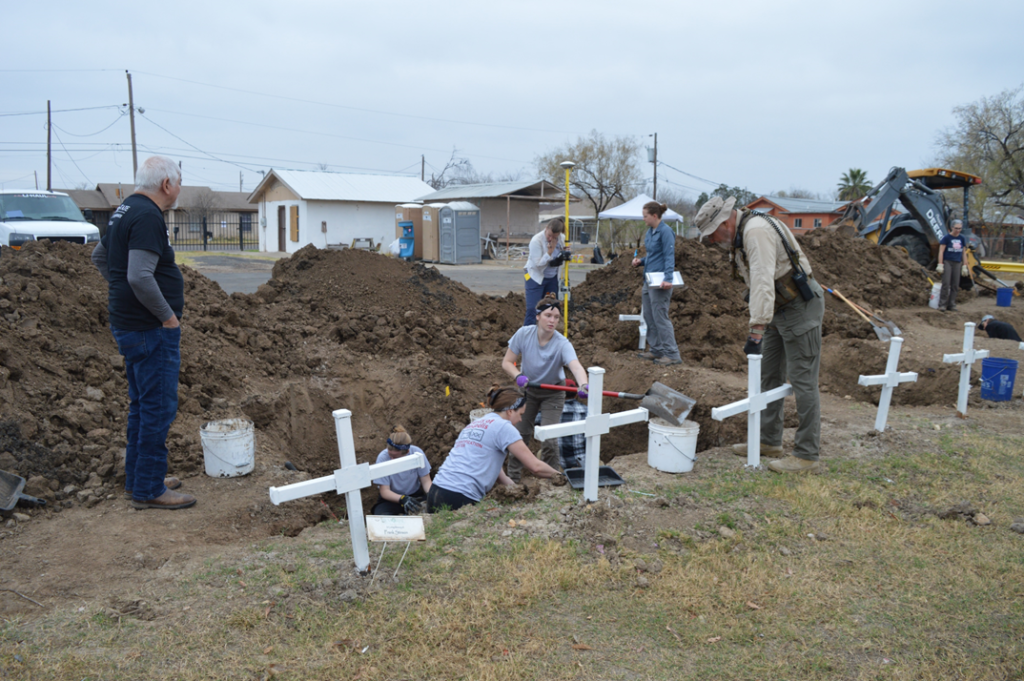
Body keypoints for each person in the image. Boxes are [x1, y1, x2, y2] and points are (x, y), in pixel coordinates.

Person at [91, 156, 195, 510]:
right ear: (167, 184)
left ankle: (140, 477)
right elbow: (138, 275)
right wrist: (167, 317)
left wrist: (122, 293)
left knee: (141, 405)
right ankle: (149, 489)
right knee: (157, 408)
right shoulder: (149, 215)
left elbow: (99, 257)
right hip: (151, 329)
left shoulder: (124, 210)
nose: (180, 188)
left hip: (130, 325)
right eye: (179, 182)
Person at [694, 196, 824, 475]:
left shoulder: (755, 232)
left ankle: (806, 454)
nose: (714, 242)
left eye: (713, 234)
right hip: (779, 308)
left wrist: (756, 330)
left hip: (799, 307)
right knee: (769, 376)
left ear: (726, 222)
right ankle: (769, 441)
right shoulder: (742, 234)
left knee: (803, 382)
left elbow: (763, 280)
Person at [426, 385, 562, 513]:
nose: (521, 420)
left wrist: (519, 492)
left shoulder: (475, 424)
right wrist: (560, 477)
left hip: (435, 491)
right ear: (510, 411)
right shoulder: (504, 427)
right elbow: (535, 467)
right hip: (459, 495)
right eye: (520, 414)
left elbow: (499, 475)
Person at [501, 293, 591, 482]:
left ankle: (553, 478)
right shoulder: (524, 334)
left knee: (550, 437)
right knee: (520, 434)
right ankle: (513, 480)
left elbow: (575, 365)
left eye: (556, 317)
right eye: (548, 316)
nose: (552, 321)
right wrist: (518, 376)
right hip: (528, 389)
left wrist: (583, 383)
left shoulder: (561, 343)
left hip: (554, 392)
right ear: (538, 316)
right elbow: (507, 362)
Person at [631, 202, 682, 365]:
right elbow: (654, 256)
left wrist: (668, 278)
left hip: (661, 282)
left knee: (660, 316)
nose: (643, 218)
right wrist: (641, 261)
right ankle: (657, 349)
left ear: (654, 216)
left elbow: (669, 256)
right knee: (649, 315)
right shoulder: (650, 232)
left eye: (645, 216)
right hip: (649, 279)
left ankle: (672, 354)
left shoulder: (666, 232)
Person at [369, 426, 432, 515]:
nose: (391, 459)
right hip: (392, 499)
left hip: (415, 496)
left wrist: (431, 495)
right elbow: (384, 491)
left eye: (395, 457)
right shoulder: (382, 458)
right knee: (381, 515)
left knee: (432, 509)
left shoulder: (417, 454)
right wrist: (402, 499)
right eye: (390, 455)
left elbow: (426, 482)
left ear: (407, 452)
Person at [523, 218, 570, 326]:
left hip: (552, 278)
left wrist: (565, 255)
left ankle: (545, 333)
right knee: (532, 309)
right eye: (549, 235)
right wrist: (550, 252)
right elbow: (538, 265)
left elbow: (564, 253)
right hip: (534, 277)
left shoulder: (562, 239)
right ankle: (527, 335)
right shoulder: (536, 240)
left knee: (550, 307)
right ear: (546, 228)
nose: (551, 238)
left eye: (554, 237)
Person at [937, 220, 967, 312]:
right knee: (946, 283)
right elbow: (941, 251)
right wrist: (940, 264)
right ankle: (942, 304)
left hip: (957, 262)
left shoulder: (962, 238)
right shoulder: (946, 238)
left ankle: (952, 304)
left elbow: (964, 252)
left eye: (960, 228)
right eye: (956, 228)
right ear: (952, 228)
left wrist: (965, 265)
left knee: (955, 284)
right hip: (948, 262)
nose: (958, 230)